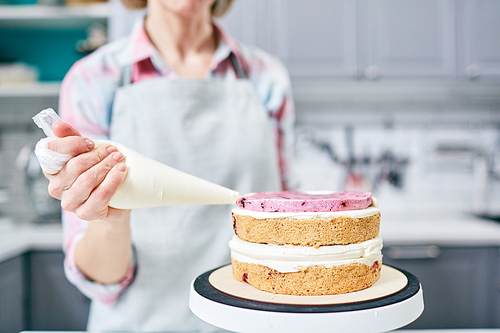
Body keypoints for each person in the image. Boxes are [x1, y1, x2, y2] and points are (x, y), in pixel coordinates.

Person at [45, 0, 295, 331]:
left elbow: (285, 223)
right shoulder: (93, 80)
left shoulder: (266, 76)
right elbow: (98, 278)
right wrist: (110, 218)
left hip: (256, 320)